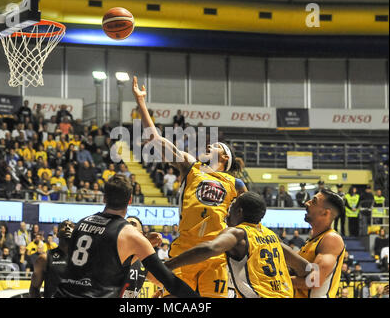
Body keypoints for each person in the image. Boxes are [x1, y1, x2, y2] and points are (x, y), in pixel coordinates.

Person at [132, 75, 246, 298]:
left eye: (214, 145)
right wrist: (141, 103)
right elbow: (155, 139)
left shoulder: (236, 184)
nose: (208, 145)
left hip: (215, 252)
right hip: (184, 249)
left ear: (224, 156)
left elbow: (249, 219)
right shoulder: (190, 167)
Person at [54, 174, 199, 298]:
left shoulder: (81, 224)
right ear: (130, 200)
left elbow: (105, 258)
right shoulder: (131, 235)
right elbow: (169, 281)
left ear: (104, 198)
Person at [165, 192, 309, 298]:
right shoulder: (272, 237)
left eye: (232, 205)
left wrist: (168, 265)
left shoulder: (238, 233)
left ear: (239, 211)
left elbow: (209, 248)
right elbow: (305, 268)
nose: (228, 210)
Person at [293, 189, 346, 298]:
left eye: (314, 201)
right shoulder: (313, 240)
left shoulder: (331, 239)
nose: (307, 203)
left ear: (325, 212)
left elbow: (313, 281)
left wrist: (277, 279)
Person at [29, 220, 75, 298]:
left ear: (76, 233)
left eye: (71, 226)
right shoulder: (44, 258)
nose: (67, 227)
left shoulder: (86, 258)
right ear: (56, 234)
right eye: (64, 226)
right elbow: (34, 289)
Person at [121, 216, 163, 298]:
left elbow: (164, 283)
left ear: (140, 234)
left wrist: (159, 292)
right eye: (125, 224)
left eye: (133, 224)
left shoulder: (144, 259)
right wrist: (146, 243)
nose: (128, 226)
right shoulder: (111, 251)